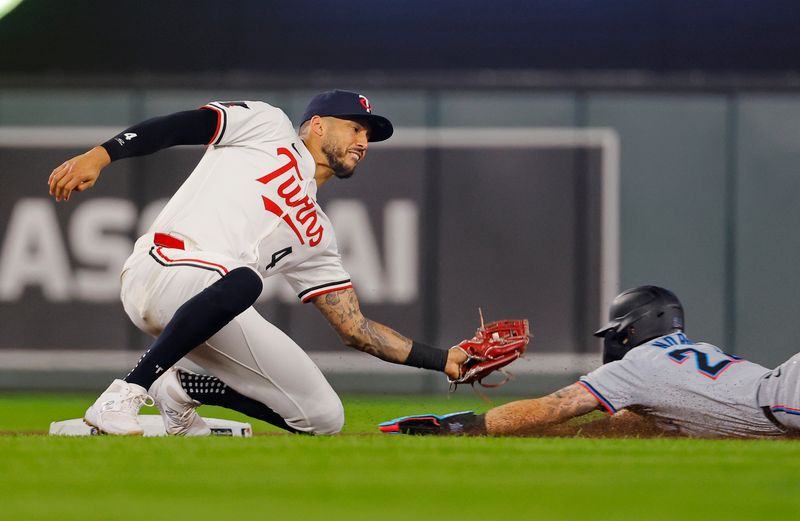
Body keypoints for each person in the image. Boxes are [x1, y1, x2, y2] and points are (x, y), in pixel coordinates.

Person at [48, 89, 466, 436]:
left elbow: (357, 330)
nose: (363, 141)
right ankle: (125, 393)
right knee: (246, 280)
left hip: (215, 303)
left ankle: (180, 389)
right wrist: (102, 156)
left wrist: (442, 359)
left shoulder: (319, 234)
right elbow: (181, 126)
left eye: (369, 135)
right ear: (317, 124)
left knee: (323, 418)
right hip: (163, 267)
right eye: (355, 127)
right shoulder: (269, 126)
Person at [381, 285, 800, 439]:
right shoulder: (689, 357)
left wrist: (463, 425)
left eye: (617, 333)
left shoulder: (638, 366)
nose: (613, 343)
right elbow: (631, 425)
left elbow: (551, 408)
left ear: (632, 329)